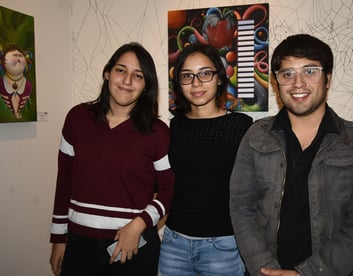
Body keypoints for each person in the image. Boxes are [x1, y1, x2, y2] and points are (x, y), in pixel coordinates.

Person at [229, 34, 353, 276]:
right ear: (276, 82)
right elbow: (241, 209)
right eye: (287, 73)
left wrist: (308, 273)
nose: (297, 83)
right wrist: (266, 270)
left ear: (328, 78)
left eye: (310, 71)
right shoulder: (256, 136)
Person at [49, 42, 175, 276]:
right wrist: (58, 238)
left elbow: (170, 190)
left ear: (146, 85)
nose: (127, 80)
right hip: (79, 245)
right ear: (107, 73)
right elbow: (63, 182)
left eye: (138, 75)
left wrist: (138, 225)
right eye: (120, 70)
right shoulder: (78, 119)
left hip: (132, 247)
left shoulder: (157, 132)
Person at [158, 43, 253, 275]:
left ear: (219, 78)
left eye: (205, 73)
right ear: (179, 83)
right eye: (187, 76)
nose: (196, 82)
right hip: (174, 243)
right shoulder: (175, 125)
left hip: (223, 245)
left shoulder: (240, 125)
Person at [0, 44, 33, 119]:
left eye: (21, 56)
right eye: (14, 55)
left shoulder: (29, 85)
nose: (19, 58)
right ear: (3, 61)